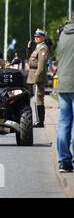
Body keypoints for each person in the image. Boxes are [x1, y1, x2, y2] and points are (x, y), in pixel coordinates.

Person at [55, 20, 74, 173]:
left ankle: (64, 161)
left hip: (63, 84)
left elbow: (58, 57)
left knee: (63, 122)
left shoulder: (62, 34)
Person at [26, 29, 49, 128]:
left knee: (38, 99)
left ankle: (40, 121)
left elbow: (41, 65)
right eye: (35, 36)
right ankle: (38, 120)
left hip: (37, 76)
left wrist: (37, 78)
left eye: (39, 36)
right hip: (32, 74)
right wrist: (29, 48)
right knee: (34, 99)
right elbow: (30, 58)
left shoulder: (43, 48)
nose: (36, 38)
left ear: (43, 37)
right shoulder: (37, 47)